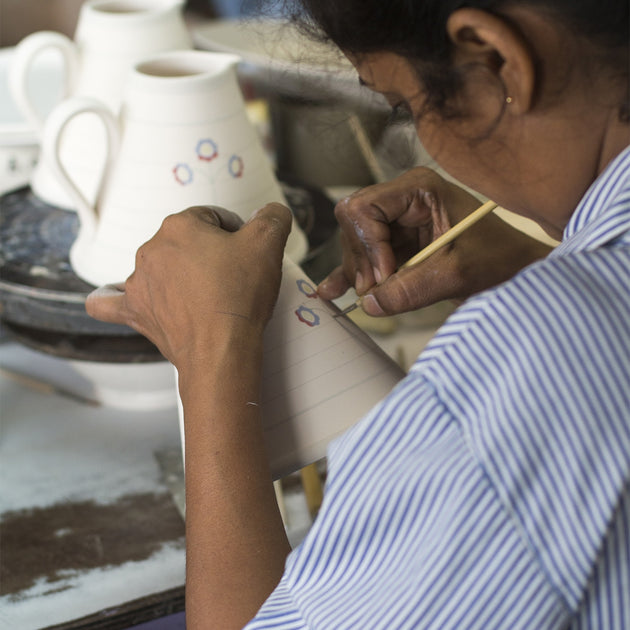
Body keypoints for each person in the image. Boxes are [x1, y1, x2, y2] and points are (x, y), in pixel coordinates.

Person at [86, 0, 630, 627]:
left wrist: (214, 351)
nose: (425, 139)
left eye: (404, 104)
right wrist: (535, 262)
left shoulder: (522, 374)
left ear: (494, 57)